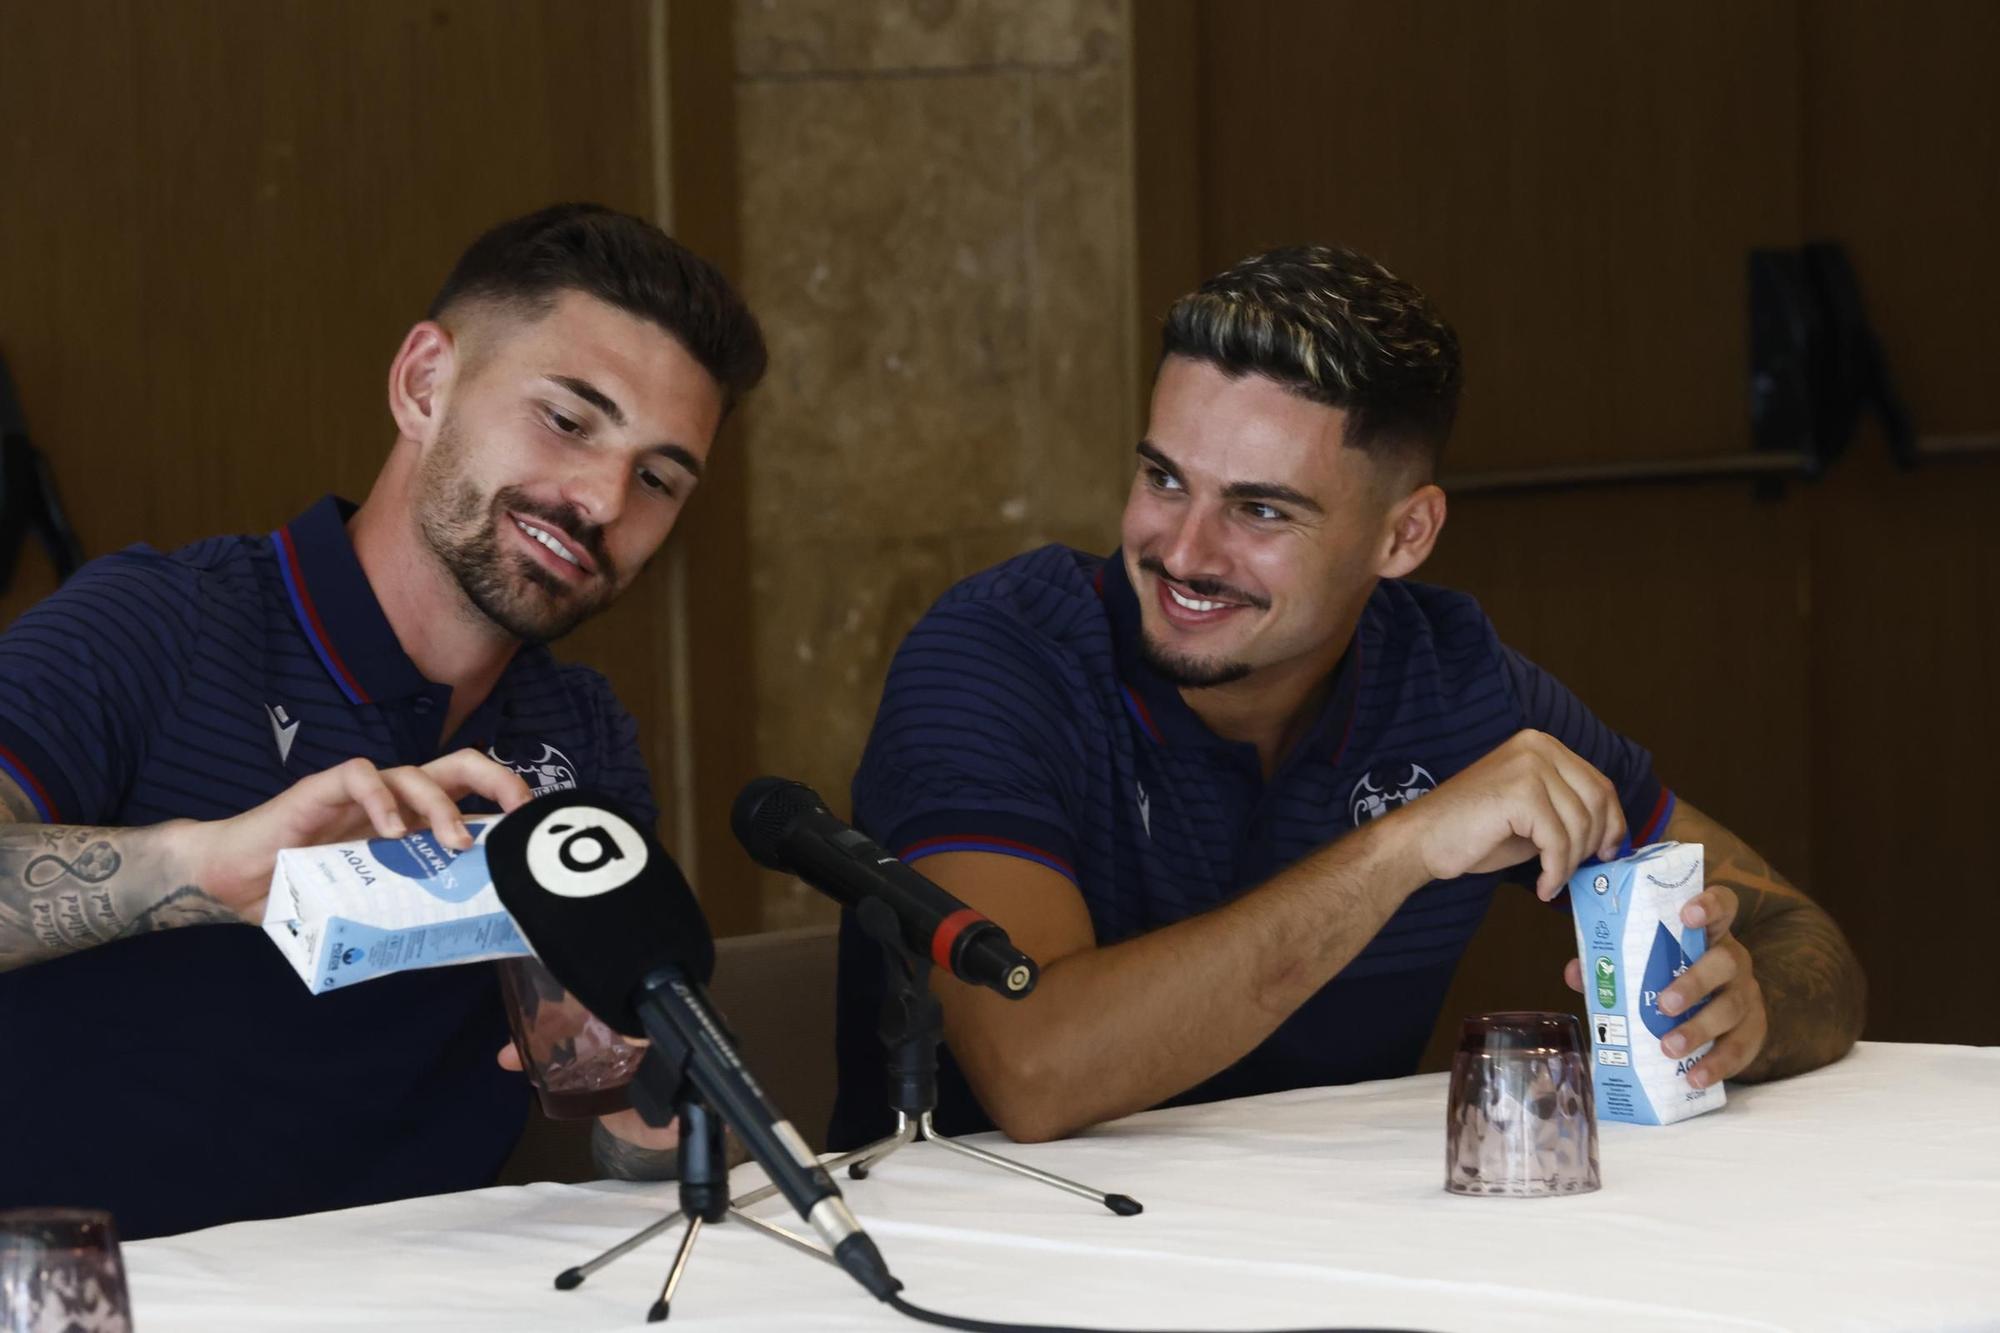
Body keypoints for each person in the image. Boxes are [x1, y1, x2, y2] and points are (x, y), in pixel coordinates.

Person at [829, 245, 1866, 1149]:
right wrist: (1404, 847)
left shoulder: (1455, 682)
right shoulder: (996, 657)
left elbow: (1800, 937)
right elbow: (1033, 1067)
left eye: (1259, 509)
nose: (1182, 551)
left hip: (1335, 1266)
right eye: (1162, 478)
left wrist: (1749, 1012)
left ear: (1402, 536)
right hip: (983, 1277)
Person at [0, 203, 765, 1236]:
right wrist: (206, 867)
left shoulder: (579, 736)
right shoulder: (159, 623)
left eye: (659, 477)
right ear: (422, 384)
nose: (601, 497)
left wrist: (634, 1075)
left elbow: (620, 1130)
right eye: (568, 419)